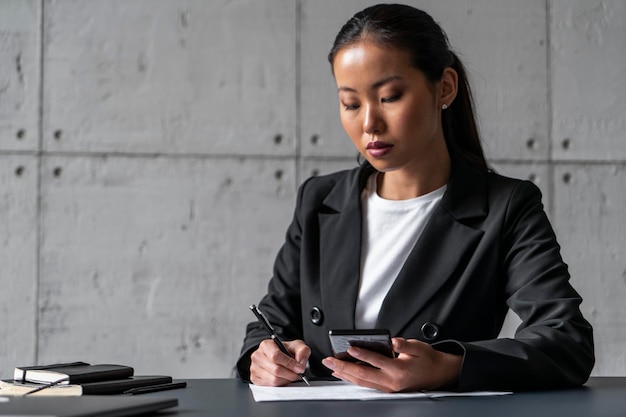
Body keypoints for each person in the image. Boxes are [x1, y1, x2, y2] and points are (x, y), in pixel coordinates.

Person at [236, 3, 594, 392]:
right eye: (351, 104)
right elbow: (269, 323)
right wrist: (263, 355)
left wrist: (449, 366)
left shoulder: (504, 207)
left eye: (389, 97)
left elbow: (566, 339)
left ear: (445, 87)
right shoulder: (320, 199)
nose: (369, 122)